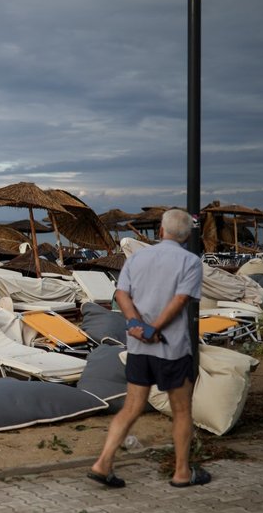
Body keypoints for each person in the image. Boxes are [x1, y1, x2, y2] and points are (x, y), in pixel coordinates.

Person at [88, 208, 210, 489]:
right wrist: (154, 329)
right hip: (173, 349)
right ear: (187, 235)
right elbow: (180, 300)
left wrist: (137, 325)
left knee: (131, 407)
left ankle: (103, 462)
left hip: (138, 347)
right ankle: (181, 473)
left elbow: (121, 294)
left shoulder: (138, 257)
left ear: (160, 231)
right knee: (181, 411)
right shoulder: (190, 262)